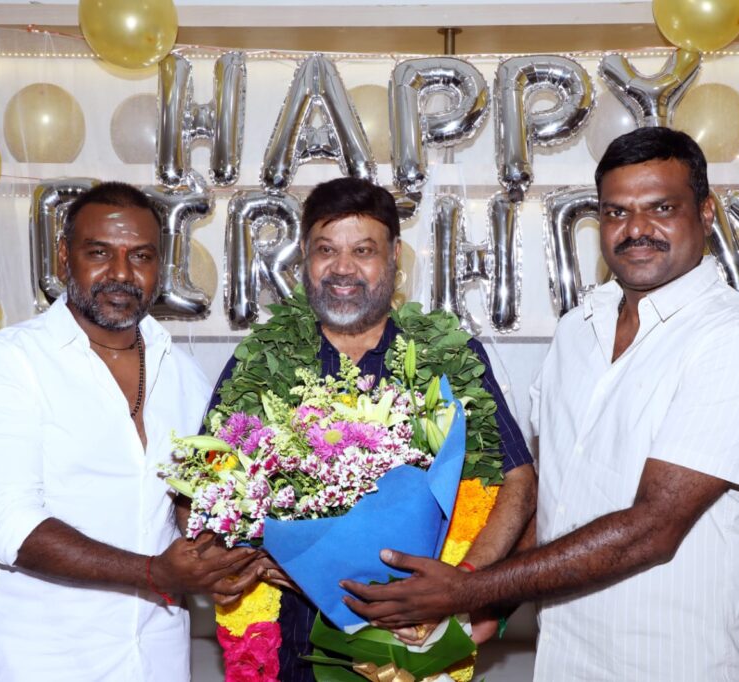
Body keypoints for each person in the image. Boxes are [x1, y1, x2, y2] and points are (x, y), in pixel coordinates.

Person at [342, 127, 739, 682]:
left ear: (705, 212)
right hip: (565, 657)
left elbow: (653, 526)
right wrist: (490, 605)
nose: (637, 229)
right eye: (617, 212)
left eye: (662, 208)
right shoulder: (580, 328)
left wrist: (471, 590)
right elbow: (556, 498)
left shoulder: (737, 339)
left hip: (678, 659)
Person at [203, 176, 538, 681]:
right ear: (304, 258)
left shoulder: (450, 358)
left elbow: (519, 481)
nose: (343, 268)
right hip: (291, 647)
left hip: (417, 641)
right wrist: (240, 558)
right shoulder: (260, 360)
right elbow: (202, 484)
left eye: (363, 250)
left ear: (394, 256)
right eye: (326, 250)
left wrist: (463, 583)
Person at [0, 182, 259, 682]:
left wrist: (216, 555)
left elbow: (192, 500)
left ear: (161, 267)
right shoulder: (7, 363)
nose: (121, 273)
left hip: (158, 658)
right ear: (64, 257)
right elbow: (8, 524)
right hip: (44, 662)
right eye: (99, 252)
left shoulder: (183, 374)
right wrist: (155, 573)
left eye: (141, 256)